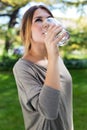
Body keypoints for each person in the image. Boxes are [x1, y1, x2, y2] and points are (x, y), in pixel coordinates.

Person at [13, 4, 74, 130]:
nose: (47, 24)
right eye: (38, 20)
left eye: (49, 19)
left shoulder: (56, 58)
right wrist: (53, 55)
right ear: (26, 30)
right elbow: (49, 112)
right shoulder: (22, 68)